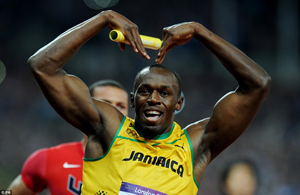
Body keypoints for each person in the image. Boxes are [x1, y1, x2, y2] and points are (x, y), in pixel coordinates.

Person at [27, 10, 271, 195]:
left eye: (165, 93)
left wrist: (200, 32)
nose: (154, 99)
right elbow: (43, 66)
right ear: (133, 100)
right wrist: (103, 18)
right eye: (145, 91)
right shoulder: (108, 128)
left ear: (179, 103)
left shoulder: (195, 146)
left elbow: (258, 83)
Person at [7, 80, 129, 195]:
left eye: (121, 106)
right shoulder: (49, 159)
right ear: (86, 109)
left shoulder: (143, 163)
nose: (113, 111)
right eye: (105, 103)